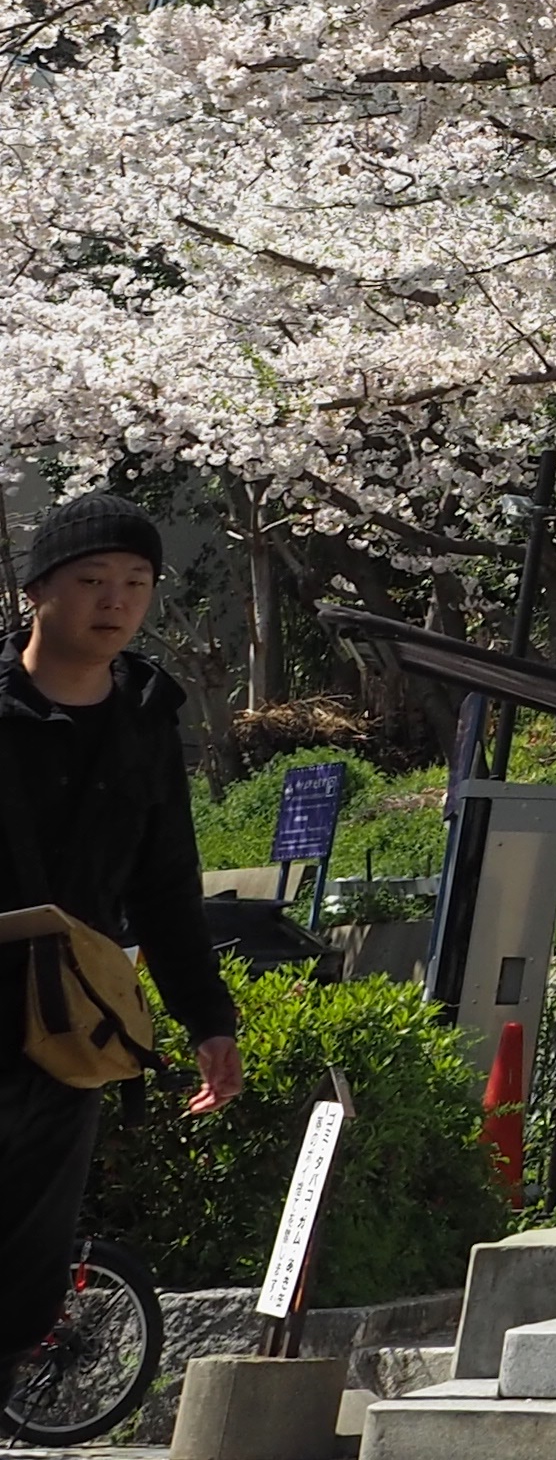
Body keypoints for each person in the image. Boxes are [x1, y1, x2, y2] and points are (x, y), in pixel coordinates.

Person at [3, 497, 242, 1382]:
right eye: (92, 580)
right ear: (37, 591)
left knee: (26, 1275)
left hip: (71, 1026)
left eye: (136, 584)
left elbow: (167, 889)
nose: (116, 600)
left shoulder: (145, 724)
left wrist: (207, 1020)